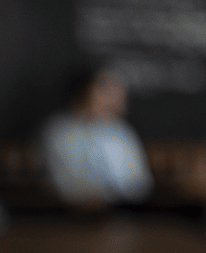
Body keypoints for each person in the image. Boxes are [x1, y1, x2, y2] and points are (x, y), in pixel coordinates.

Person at [41, 67, 152, 208]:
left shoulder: (121, 131)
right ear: (84, 91)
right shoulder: (60, 132)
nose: (115, 100)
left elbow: (140, 182)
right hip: (72, 216)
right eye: (106, 91)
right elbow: (67, 188)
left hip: (128, 211)